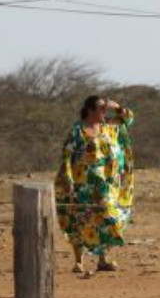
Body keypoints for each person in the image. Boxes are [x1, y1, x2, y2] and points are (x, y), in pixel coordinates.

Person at [55, 95, 135, 273]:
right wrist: (67, 177)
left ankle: (103, 259)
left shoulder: (109, 127)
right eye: (101, 108)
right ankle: (78, 261)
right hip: (81, 184)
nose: (105, 111)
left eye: (105, 108)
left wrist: (117, 107)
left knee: (106, 218)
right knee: (79, 220)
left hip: (106, 185)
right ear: (90, 110)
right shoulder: (78, 131)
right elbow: (67, 155)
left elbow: (128, 118)